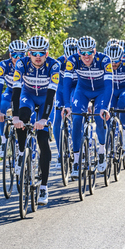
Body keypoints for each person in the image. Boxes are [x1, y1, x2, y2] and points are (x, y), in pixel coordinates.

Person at [12, 35, 60, 206]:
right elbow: (16, 90)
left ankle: (45, 187)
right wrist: (15, 116)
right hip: (28, 96)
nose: (37, 56)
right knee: (23, 116)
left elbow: (51, 95)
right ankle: (21, 151)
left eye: (41, 53)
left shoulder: (54, 65)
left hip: (46, 99)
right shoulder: (21, 63)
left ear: (46, 53)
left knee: (42, 140)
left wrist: (44, 119)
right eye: (34, 53)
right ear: (29, 53)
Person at [62, 36, 113, 179]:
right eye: (83, 52)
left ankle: (102, 151)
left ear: (94, 51)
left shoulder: (104, 60)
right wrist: (67, 105)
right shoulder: (72, 60)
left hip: (101, 92)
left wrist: (105, 107)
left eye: (89, 52)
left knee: (99, 119)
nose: (86, 56)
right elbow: (66, 83)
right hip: (82, 91)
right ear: (78, 52)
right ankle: (77, 161)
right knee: (77, 119)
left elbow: (109, 85)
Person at [0, 40, 27, 157]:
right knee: (3, 105)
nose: (17, 58)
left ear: (26, 55)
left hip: (24, 93)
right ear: (10, 55)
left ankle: (22, 142)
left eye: (21, 55)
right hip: (10, 91)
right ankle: (3, 140)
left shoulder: (28, 64)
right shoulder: (4, 65)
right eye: (14, 55)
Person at [52, 39, 78, 168]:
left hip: (76, 89)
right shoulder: (59, 62)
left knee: (77, 114)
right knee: (57, 119)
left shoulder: (82, 60)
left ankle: (78, 147)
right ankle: (60, 152)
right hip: (61, 90)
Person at [108, 44, 125, 151]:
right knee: (108, 111)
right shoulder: (105, 65)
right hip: (111, 91)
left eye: (116, 61)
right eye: (112, 61)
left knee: (122, 104)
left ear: (122, 57)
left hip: (124, 90)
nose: (114, 64)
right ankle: (108, 138)